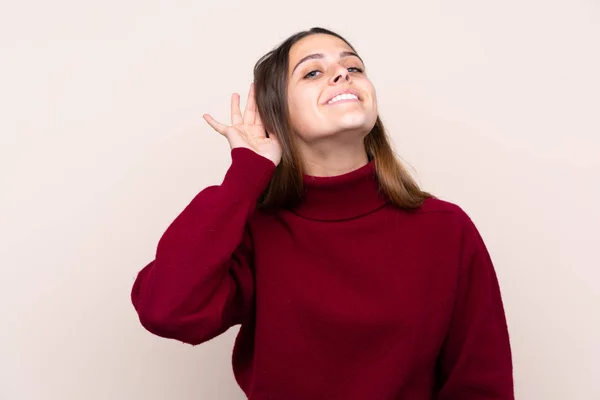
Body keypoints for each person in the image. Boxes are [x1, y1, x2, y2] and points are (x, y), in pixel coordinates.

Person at [131, 27, 514, 399]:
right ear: (276, 113)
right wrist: (246, 173)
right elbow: (167, 310)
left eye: (355, 67)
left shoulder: (445, 229)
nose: (343, 74)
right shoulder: (256, 232)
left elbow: (481, 386)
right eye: (313, 72)